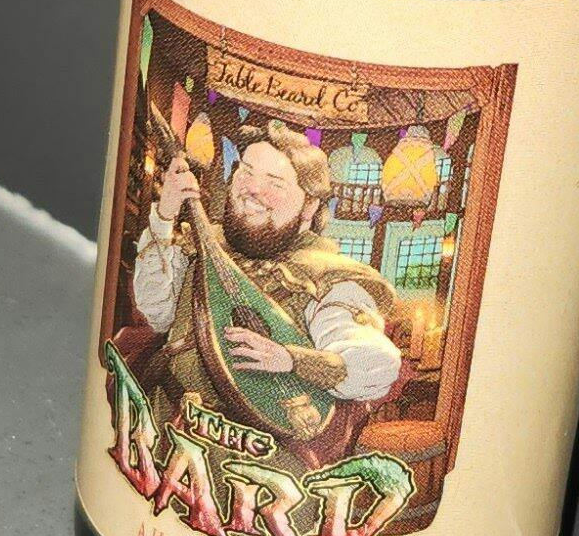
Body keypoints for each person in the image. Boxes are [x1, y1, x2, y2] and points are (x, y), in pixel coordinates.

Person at [134, 124, 406, 460]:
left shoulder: (327, 278)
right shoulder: (205, 245)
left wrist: (291, 359)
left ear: (309, 207)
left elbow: (376, 362)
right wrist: (164, 215)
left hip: (249, 459)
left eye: (275, 183)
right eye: (246, 172)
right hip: (163, 429)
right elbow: (158, 314)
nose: (252, 190)